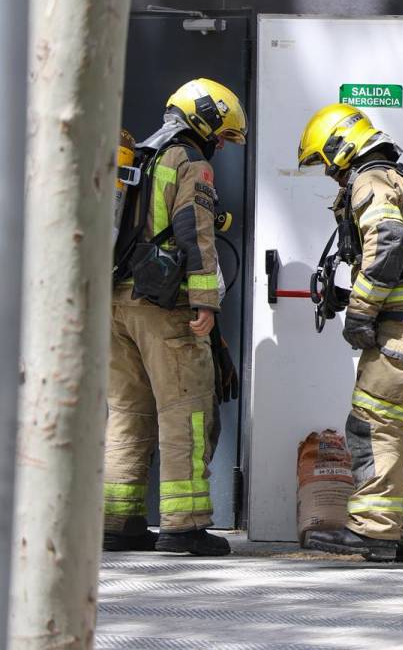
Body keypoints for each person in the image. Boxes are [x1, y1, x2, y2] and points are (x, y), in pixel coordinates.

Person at [298, 104, 403, 563]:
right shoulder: (401, 179)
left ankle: (375, 531)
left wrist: (361, 311)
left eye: (328, 165)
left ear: (340, 148)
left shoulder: (370, 179)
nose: (331, 176)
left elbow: (387, 241)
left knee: (372, 424)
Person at [103, 78, 247, 556]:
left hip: (116, 302)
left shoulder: (139, 155)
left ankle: (117, 520)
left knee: (128, 414)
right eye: (223, 135)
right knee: (186, 412)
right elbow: (192, 230)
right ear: (203, 121)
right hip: (165, 308)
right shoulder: (188, 160)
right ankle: (183, 526)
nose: (221, 145)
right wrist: (205, 301)